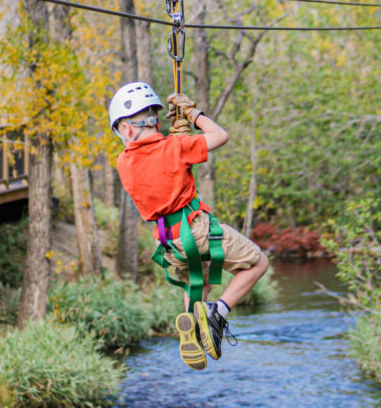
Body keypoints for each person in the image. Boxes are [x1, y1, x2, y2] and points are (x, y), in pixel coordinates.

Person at [109, 81, 269, 370]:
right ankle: (218, 313)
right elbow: (220, 136)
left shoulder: (124, 161)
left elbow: (155, 161)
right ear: (155, 121)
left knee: (200, 282)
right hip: (196, 229)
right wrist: (193, 115)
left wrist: (174, 138)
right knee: (258, 264)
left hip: (168, 242)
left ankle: (193, 330)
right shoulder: (177, 146)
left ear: (126, 129)